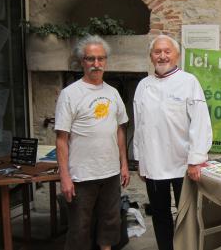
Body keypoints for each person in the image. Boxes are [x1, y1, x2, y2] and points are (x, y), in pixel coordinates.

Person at [133, 35, 212, 250]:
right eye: (157, 52)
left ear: (177, 55)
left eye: (167, 51)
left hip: (182, 164)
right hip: (154, 163)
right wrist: (140, 159)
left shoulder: (189, 82)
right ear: (151, 57)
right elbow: (139, 126)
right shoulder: (143, 86)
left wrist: (196, 160)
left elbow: (200, 122)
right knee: (159, 213)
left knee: (186, 214)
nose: (162, 56)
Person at [55, 35, 130, 250]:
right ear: (82, 61)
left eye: (100, 59)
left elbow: (120, 131)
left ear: (106, 61)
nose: (96, 64)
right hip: (82, 175)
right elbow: (61, 139)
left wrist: (123, 164)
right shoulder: (70, 94)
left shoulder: (113, 93)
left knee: (110, 225)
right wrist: (65, 176)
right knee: (80, 230)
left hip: (110, 173)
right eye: (90, 59)